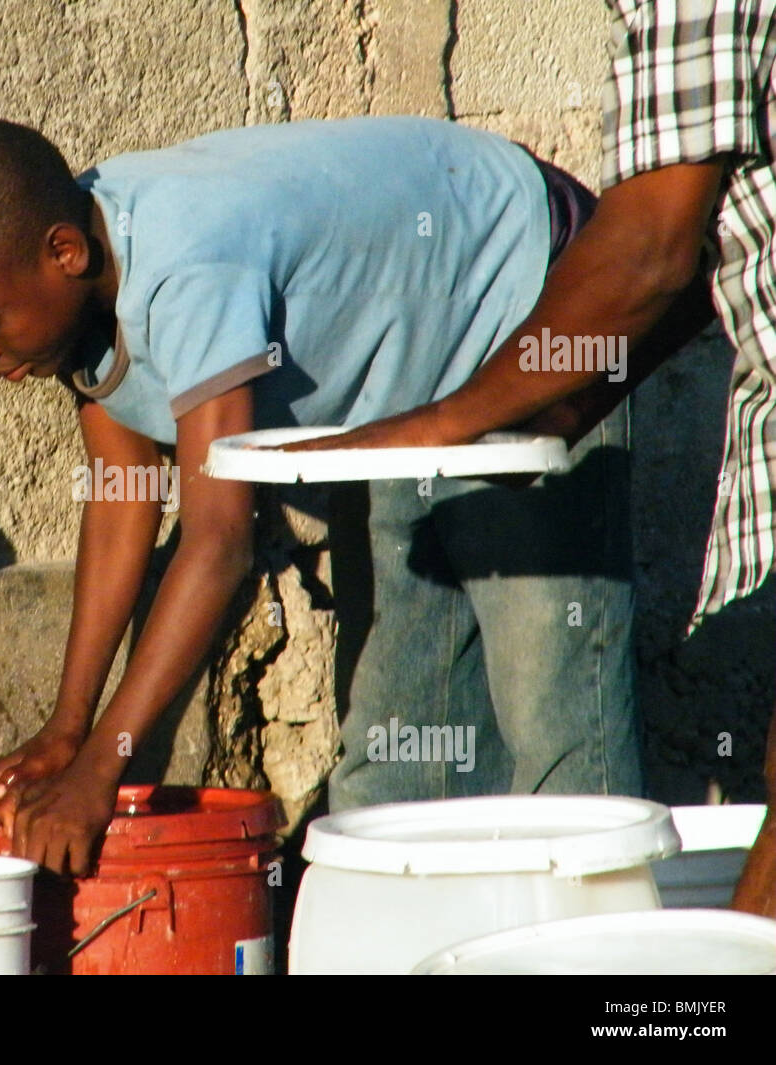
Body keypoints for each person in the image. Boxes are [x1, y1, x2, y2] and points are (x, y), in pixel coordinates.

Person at [0, 114, 649, 875]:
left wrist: (100, 770)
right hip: (413, 390)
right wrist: (67, 729)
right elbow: (124, 500)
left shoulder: (184, 269)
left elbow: (219, 541)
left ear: (64, 252)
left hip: (527, 301)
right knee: (398, 753)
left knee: (554, 722)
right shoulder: (76, 283)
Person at [291, 0, 775, 917]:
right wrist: (557, 407)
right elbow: (690, 263)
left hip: (505, 341)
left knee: (565, 741)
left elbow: (649, 250)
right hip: (498, 368)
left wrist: (448, 421)